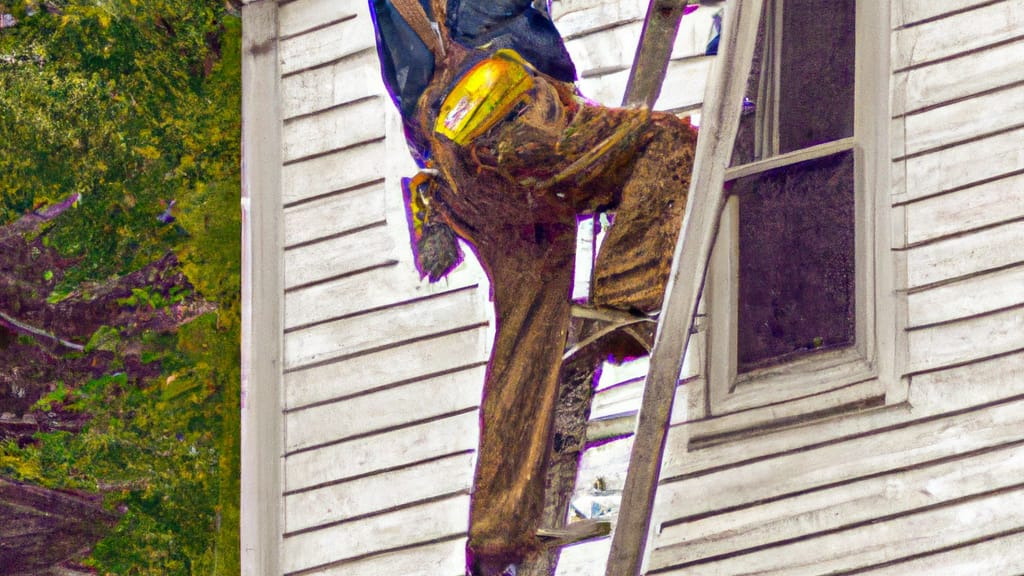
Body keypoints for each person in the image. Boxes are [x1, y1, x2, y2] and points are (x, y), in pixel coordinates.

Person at [368, 1, 697, 573]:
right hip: (510, 117)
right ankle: (622, 303)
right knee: (665, 143)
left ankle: (497, 541)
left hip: (456, 167)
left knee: (528, 338)